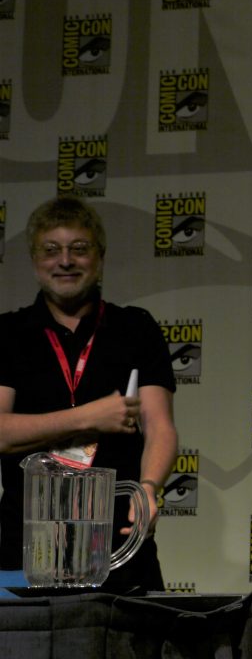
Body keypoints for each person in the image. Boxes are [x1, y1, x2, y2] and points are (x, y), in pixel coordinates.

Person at [0, 196, 178, 591]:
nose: (65, 261)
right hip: (26, 548)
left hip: (120, 544)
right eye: (52, 250)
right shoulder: (7, 334)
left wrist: (149, 488)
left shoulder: (136, 328)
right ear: (34, 260)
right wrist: (90, 417)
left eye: (79, 249)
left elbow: (160, 425)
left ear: (99, 257)